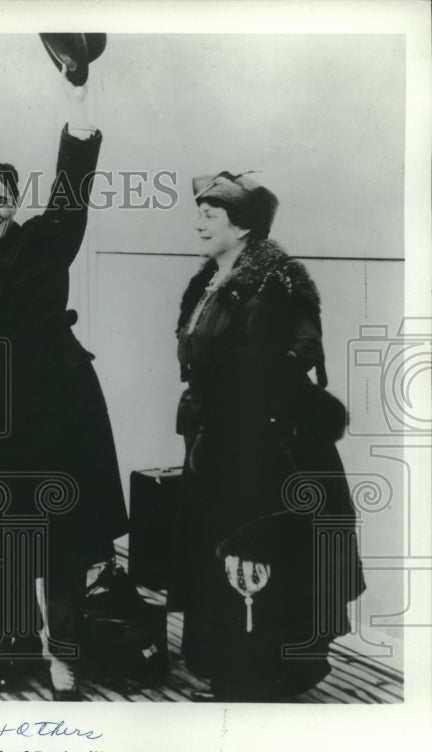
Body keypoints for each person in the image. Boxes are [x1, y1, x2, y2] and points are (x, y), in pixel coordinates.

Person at [0, 71, 129, 699]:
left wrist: (79, 109)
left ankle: (66, 656)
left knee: (64, 537)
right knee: (11, 530)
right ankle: (21, 639)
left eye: (0, 200)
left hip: (58, 406)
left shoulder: (47, 242)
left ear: (15, 202)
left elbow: (72, 188)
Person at [172, 171, 365, 701]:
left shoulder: (276, 281)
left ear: (242, 226)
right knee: (225, 554)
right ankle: (232, 670)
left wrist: (244, 390)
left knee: (264, 553)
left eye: (210, 216)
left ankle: (267, 675)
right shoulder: (210, 280)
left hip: (269, 448)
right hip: (221, 441)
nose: (199, 225)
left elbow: (302, 350)